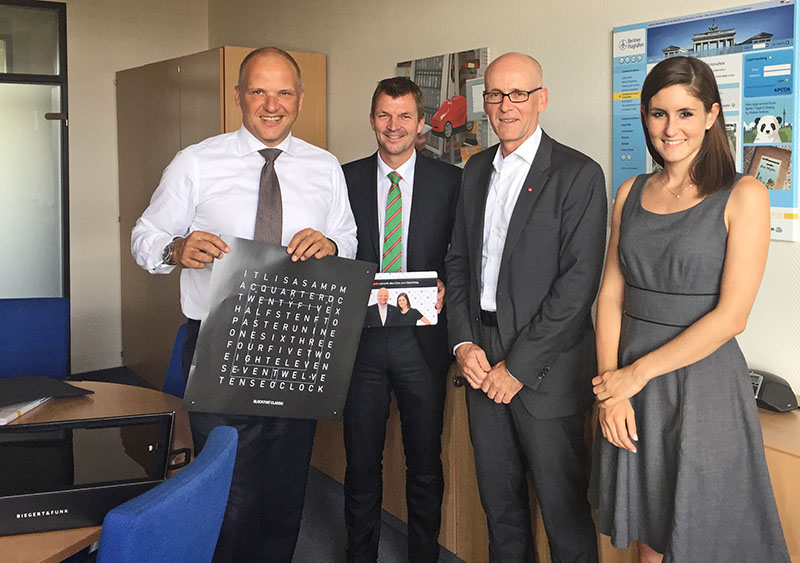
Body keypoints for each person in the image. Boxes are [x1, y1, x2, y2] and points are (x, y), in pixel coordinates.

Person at [130, 47, 357, 563]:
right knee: (227, 487)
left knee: (285, 487)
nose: (271, 105)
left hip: (297, 344)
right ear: (238, 96)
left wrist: (332, 245)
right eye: (259, 91)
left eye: (283, 93)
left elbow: (347, 237)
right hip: (220, 343)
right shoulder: (195, 162)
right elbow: (145, 236)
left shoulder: (324, 167)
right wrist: (175, 249)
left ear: (300, 99)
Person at [589, 56, 789, 563]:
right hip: (627, 383)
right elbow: (610, 295)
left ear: (711, 115)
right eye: (659, 114)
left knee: (702, 534)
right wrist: (611, 388)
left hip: (701, 382)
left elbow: (732, 317)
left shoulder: (746, 194)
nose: (670, 128)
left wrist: (634, 376)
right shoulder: (629, 192)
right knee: (647, 535)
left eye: (685, 113)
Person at [445, 52, 606, 562]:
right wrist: (463, 341)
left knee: (564, 516)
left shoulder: (578, 174)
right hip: (480, 356)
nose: (505, 105)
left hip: (546, 367)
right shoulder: (475, 170)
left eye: (518, 93)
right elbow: (457, 262)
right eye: (495, 94)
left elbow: (578, 286)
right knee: (501, 510)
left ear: (542, 99)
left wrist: (517, 367)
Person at [342, 76, 460, 562]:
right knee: (361, 464)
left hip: (422, 343)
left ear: (421, 123)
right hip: (361, 343)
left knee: (425, 465)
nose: (394, 126)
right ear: (372, 120)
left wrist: (448, 285)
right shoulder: (343, 179)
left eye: (405, 116)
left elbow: (463, 254)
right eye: (385, 115)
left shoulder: (450, 181)